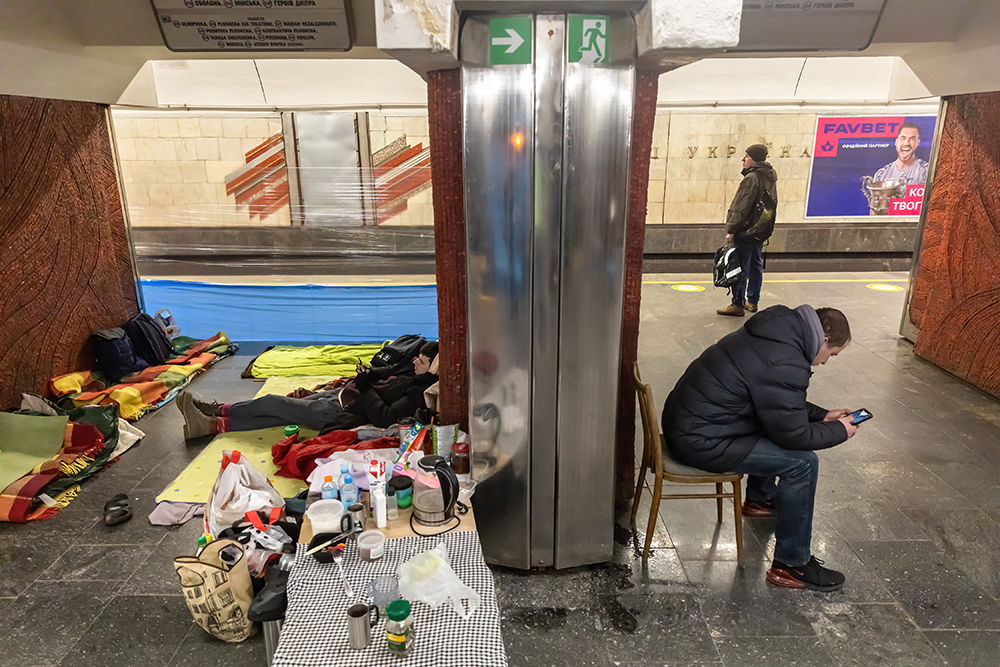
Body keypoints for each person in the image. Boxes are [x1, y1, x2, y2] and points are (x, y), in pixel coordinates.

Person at [661, 305, 858, 592]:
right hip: (702, 441)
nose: (826, 362)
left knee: (770, 424)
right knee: (803, 463)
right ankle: (791, 565)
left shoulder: (777, 330)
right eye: (832, 354)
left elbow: (772, 398)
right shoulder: (786, 360)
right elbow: (794, 434)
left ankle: (760, 499)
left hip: (692, 423)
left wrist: (822, 415)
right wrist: (841, 430)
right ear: (824, 340)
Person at [178, 342, 439, 439]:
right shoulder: (411, 373)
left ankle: (218, 410)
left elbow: (384, 416)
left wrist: (363, 386)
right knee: (283, 416)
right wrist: (369, 374)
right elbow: (388, 372)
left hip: (341, 409)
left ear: (433, 370)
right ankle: (210, 426)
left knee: (274, 403)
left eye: (422, 361)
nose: (415, 361)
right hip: (343, 395)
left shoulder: (419, 393)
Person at [717, 144, 778, 317]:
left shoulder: (752, 178)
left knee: (739, 266)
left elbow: (741, 207)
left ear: (755, 159)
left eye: (747, 156)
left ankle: (737, 304)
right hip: (760, 230)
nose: (743, 159)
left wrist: (732, 229)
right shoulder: (770, 177)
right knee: (756, 266)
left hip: (746, 230)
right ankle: (753, 301)